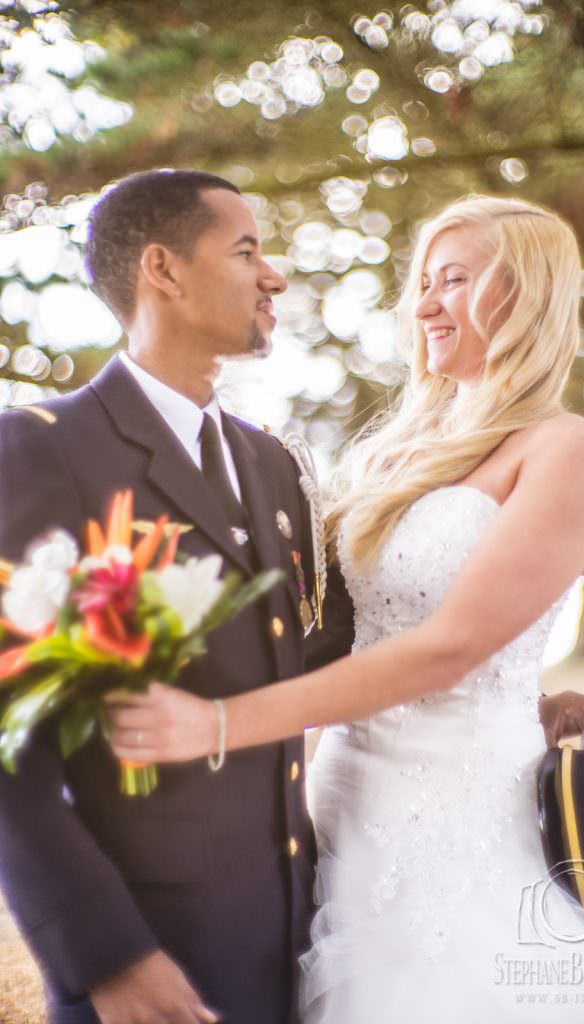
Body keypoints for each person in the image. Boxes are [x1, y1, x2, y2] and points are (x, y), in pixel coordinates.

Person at [107, 195, 584, 1022]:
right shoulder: (400, 453)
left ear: (529, 295)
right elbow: (349, 627)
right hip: (341, 801)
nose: (425, 304)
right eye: (423, 283)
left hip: (463, 821)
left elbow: (449, 650)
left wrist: (220, 722)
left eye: (455, 280)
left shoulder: (566, 448)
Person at [0, 169, 353, 1024]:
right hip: (148, 949)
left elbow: (330, 652)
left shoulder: (270, 461)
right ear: (161, 268)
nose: (272, 277)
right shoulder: (41, 450)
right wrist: (104, 956)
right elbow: (9, 740)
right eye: (246, 251)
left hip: (293, 930)